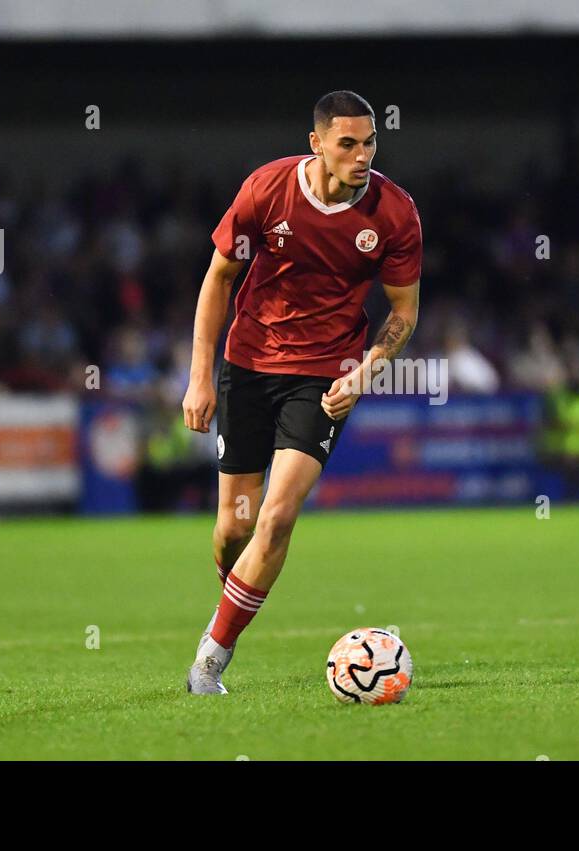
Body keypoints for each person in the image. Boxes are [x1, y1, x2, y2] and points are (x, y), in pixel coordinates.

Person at [181, 90, 423, 694]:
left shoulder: (395, 214)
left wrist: (364, 373)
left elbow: (403, 313)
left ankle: (211, 659)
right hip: (249, 364)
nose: (362, 155)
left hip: (324, 376)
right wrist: (199, 375)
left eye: (370, 142)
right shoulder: (267, 190)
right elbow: (218, 279)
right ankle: (233, 601)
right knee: (235, 527)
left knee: (278, 515)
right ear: (317, 144)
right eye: (348, 143)